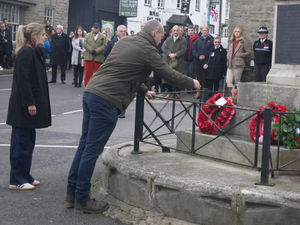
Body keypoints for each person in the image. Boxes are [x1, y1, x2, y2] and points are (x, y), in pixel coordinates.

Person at [65, 20, 200, 214]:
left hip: (92, 93)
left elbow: (125, 70)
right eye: (162, 36)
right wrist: (192, 82)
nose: (162, 39)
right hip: (106, 100)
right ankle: (82, 199)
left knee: (85, 145)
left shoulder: (126, 41)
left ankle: (72, 194)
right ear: (155, 33)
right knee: (91, 150)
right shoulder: (147, 49)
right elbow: (167, 73)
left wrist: (143, 89)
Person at [6, 23, 51, 190]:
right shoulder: (26, 52)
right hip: (23, 107)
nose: (45, 37)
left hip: (27, 106)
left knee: (28, 142)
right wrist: (30, 103)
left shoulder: (33, 51)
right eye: (43, 35)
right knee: (21, 142)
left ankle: (25, 175)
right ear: (34, 36)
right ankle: (16, 179)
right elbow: (22, 82)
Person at [104, 25, 127, 118]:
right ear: (117, 32)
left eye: (125, 31)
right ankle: (113, 108)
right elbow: (106, 55)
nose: (123, 33)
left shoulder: (129, 42)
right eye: (121, 31)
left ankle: (122, 110)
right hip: (113, 70)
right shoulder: (111, 43)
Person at [163, 25, 187, 99]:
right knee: (169, 77)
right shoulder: (168, 39)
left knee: (178, 77)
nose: (176, 32)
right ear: (172, 31)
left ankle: (177, 93)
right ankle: (170, 92)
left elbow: (183, 50)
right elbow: (165, 48)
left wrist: (175, 55)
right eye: (175, 30)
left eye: (177, 30)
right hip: (169, 61)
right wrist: (170, 54)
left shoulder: (183, 40)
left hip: (179, 62)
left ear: (179, 31)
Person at [226, 26, 251, 94]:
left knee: (237, 82)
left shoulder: (243, 42)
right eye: (235, 31)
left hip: (238, 64)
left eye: (238, 31)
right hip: (230, 64)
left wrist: (241, 54)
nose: (236, 33)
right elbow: (230, 51)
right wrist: (228, 56)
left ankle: (236, 97)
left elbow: (248, 52)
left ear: (241, 33)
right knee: (228, 81)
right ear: (233, 33)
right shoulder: (232, 41)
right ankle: (232, 95)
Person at [192, 26, 214, 97]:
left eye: (206, 30)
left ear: (208, 31)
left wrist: (205, 55)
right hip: (197, 62)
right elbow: (194, 50)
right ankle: (198, 92)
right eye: (203, 30)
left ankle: (204, 94)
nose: (205, 32)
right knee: (198, 78)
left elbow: (212, 50)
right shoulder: (197, 40)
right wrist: (198, 56)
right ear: (201, 31)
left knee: (205, 78)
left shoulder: (211, 40)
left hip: (206, 62)